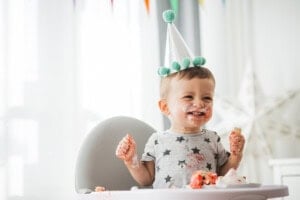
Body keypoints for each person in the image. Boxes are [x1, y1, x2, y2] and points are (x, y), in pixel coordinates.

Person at [115, 10, 245, 189]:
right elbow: (146, 179)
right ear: (165, 107)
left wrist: (236, 156)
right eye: (188, 97)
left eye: (207, 97)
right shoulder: (157, 141)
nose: (200, 103)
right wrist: (131, 161)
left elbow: (223, 175)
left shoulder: (212, 139)